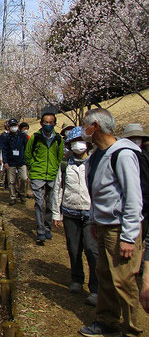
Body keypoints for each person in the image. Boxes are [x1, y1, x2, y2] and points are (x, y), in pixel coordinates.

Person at [78, 109, 143, 337]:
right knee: (105, 275)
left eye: (85, 126)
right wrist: (95, 220)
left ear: (95, 126)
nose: (83, 131)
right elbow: (98, 193)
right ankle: (107, 322)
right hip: (103, 225)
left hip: (120, 228)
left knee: (124, 280)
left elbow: (134, 199)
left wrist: (129, 236)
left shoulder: (122, 154)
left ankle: (133, 328)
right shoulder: (97, 155)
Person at [51, 126, 98, 307]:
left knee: (92, 249)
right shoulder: (65, 164)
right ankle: (77, 278)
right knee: (73, 247)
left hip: (90, 212)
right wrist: (57, 213)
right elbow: (58, 189)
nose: (78, 145)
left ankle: (95, 288)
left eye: (81, 141)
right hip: (70, 211)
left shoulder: (94, 163)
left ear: (88, 143)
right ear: (70, 145)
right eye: (74, 142)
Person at [24, 113, 64, 245]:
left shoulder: (58, 139)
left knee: (51, 203)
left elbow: (59, 157)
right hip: (38, 174)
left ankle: (47, 227)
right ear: (41, 124)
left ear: (54, 124)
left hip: (52, 175)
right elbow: (28, 154)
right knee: (39, 202)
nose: (48, 125)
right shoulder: (35, 138)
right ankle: (40, 230)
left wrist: (54, 169)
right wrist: (33, 168)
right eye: (45, 122)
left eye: (50, 122)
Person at [1, 118, 28, 206]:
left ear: (18, 125)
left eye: (15, 125)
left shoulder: (22, 136)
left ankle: (22, 194)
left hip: (21, 161)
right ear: (9, 127)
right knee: (11, 181)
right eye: (11, 126)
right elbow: (4, 150)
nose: (13, 127)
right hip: (11, 161)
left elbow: (27, 148)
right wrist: (5, 162)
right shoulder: (6, 137)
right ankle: (12, 197)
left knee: (24, 178)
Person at [0, 122, 10, 188]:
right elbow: (1, 147)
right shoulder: (3, 135)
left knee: (8, 170)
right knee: (2, 168)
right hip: (4, 153)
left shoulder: (12, 134)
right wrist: (1, 157)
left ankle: (7, 183)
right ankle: (0, 180)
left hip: (10, 154)